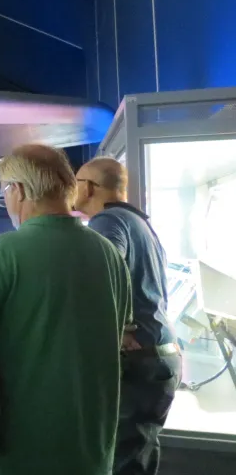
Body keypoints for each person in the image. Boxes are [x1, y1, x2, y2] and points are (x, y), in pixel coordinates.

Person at [0, 144, 132, 475]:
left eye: (5, 193)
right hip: (92, 454)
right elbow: (120, 334)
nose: (7, 202)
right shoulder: (109, 254)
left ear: (20, 191)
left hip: (14, 456)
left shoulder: (3, 252)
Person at [75, 157, 181, 475]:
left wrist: (117, 327)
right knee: (139, 454)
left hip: (140, 363)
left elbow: (101, 276)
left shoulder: (107, 222)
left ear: (90, 187)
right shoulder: (140, 223)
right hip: (160, 356)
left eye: (76, 183)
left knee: (124, 460)